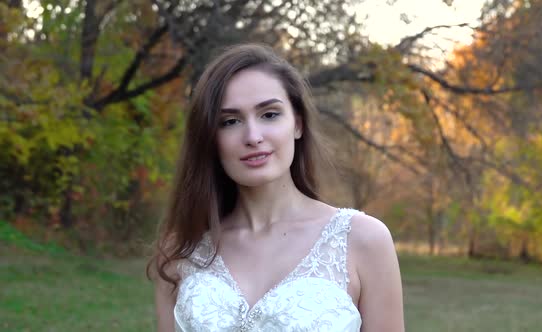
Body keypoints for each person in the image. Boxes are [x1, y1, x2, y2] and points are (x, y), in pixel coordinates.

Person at [147, 43, 404, 332]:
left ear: (297, 124)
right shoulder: (180, 250)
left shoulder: (363, 240)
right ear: (210, 138)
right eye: (230, 121)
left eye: (269, 114)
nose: (253, 136)